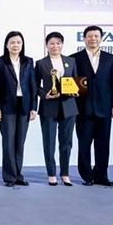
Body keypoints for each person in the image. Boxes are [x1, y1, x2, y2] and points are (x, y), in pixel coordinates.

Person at [71, 25, 113, 186]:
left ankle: (101, 176)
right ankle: (87, 176)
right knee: (84, 144)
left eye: (96, 36)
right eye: (90, 36)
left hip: (105, 108)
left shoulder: (111, 59)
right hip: (82, 108)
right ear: (84, 38)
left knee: (103, 144)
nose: (93, 39)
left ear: (101, 38)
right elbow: (70, 82)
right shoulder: (74, 58)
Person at [0, 31, 37, 187]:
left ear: (22, 45)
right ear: (6, 45)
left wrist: (34, 107)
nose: (15, 45)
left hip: (24, 105)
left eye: (18, 42)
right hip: (6, 106)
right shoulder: (0, 62)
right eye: (12, 42)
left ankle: (18, 175)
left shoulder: (28, 61)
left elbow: (33, 85)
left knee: (20, 142)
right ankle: (9, 177)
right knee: (8, 142)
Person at [35, 32, 78, 186]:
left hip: (69, 106)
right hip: (49, 107)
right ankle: (51, 173)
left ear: (62, 44)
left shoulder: (71, 61)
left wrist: (76, 91)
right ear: (47, 45)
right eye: (52, 43)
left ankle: (65, 173)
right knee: (49, 142)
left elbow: (76, 81)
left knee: (66, 142)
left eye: (58, 43)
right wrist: (44, 95)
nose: (55, 46)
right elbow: (35, 85)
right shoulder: (41, 63)